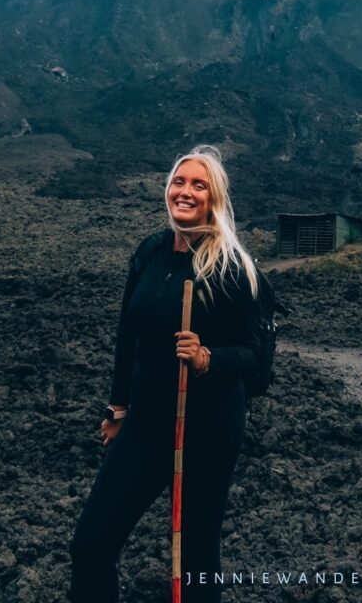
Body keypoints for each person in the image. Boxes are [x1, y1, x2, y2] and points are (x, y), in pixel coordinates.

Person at [70, 144, 262, 603]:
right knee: (91, 543)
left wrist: (208, 358)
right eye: (180, 181)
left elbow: (255, 356)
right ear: (167, 190)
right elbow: (126, 337)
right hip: (146, 422)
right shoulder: (151, 252)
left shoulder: (232, 267)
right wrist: (117, 409)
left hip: (210, 426)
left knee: (197, 553)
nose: (186, 191)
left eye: (199, 184)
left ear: (215, 197)